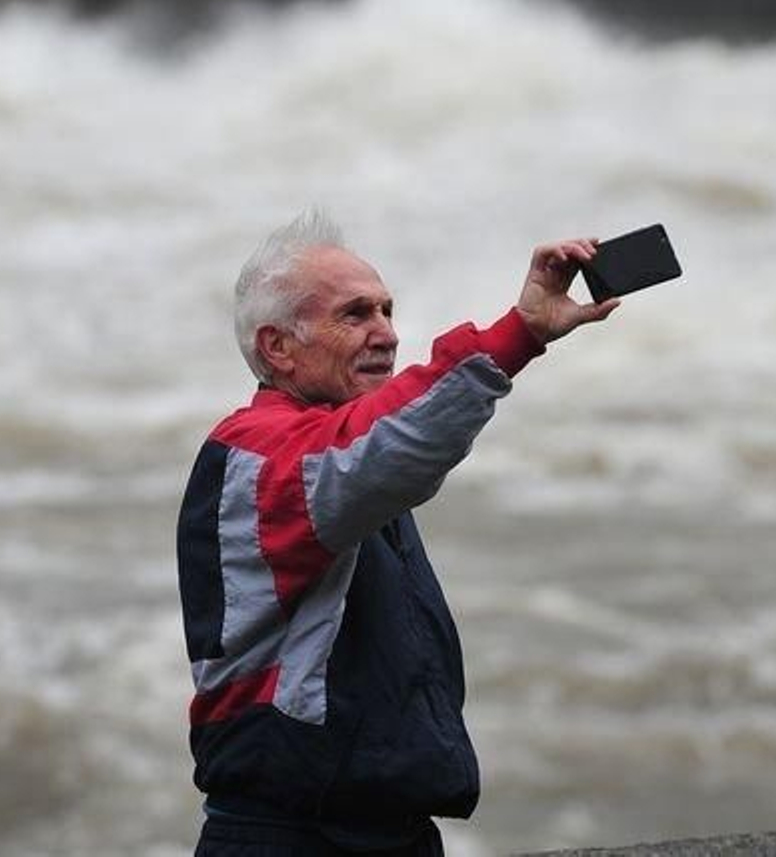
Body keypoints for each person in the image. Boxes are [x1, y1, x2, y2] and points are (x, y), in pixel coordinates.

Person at [178, 210, 620, 856]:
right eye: (355, 315)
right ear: (277, 347)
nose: (386, 333)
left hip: (382, 831)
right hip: (292, 838)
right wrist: (520, 331)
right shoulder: (264, 453)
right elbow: (398, 435)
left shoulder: (330, 448)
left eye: (387, 310)